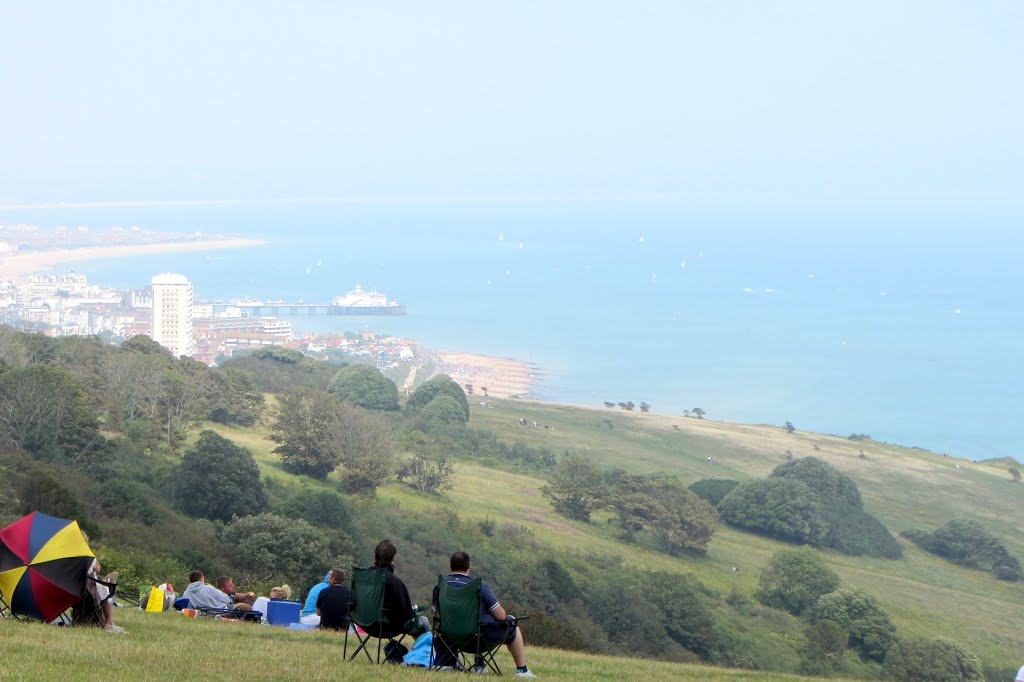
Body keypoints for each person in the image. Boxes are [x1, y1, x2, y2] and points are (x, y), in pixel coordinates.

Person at [434, 550, 535, 678]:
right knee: (510, 620)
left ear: (450, 566)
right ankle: (522, 670)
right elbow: (501, 616)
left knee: (480, 620)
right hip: (478, 639)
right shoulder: (479, 587)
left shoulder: (440, 586)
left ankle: (480, 665)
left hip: (450, 638)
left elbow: (437, 614)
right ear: (468, 566)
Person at [372, 538, 427, 639]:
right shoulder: (394, 582)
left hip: (365, 624)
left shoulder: (362, 578)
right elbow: (406, 612)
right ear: (393, 558)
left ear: (375, 556)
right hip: (388, 627)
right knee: (424, 621)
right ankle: (423, 654)